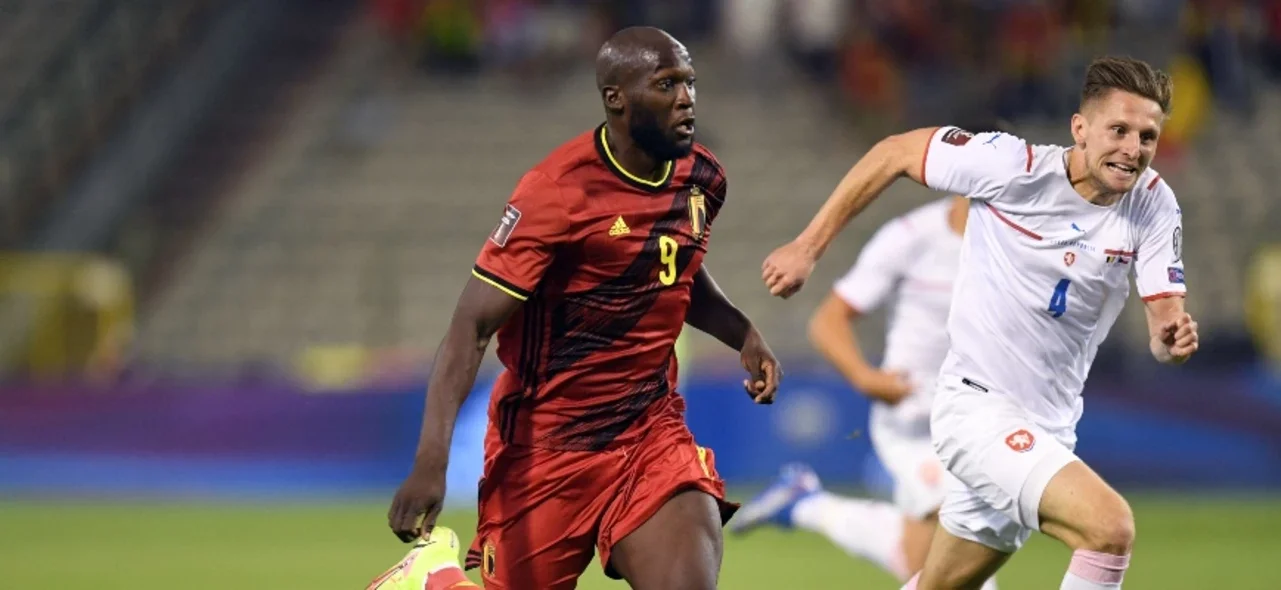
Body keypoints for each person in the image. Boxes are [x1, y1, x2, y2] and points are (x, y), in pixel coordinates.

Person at [762, 56, 1199, 590]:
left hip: (1051, 427)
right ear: (1080, 129)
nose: (1134, 149)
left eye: (1148, 136)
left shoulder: (1153, 203)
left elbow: (1164, 324)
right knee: (1109, 529)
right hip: (977, 412)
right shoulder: (1011, 167)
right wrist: (807, 248)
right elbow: (894, 151)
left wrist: (1171, 339)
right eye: (1120, 130)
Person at [371, 26, 782, 590]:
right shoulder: (558, 193)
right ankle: (430, 577)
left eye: (690, 83)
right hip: (547, 449)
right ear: (617, 98)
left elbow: (673, 264)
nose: (686, 99)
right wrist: (430, 460)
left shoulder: (702, 179)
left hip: (649, 433)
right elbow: (471, 328)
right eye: (666, 85)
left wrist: (743, 332)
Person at [733, 196, 995, 589]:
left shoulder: (1018, 241)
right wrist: (865, 377)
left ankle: (806, 505)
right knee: (960, 548)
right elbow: (828, 321)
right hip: (917, 420)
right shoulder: (912, 235)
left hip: (983, 418)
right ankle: (806, 505)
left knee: (924, 562)